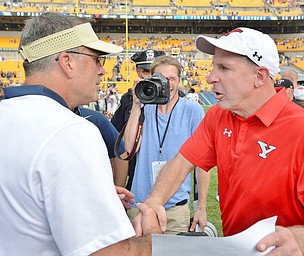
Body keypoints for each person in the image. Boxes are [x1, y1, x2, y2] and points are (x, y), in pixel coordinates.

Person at [137, 27, 304, 255]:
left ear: (260, 77)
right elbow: (182, 161)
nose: (210, 77)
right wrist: (155, 200)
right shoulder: (218, 115)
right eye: (214, 66)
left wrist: (299, 239)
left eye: (224, 68)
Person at [0, 12, 161, 255]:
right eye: (97, 59)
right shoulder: (71, 130)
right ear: (68, 62)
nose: (102, 71)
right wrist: (152, 238)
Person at [123, 55, 210, 234]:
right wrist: (136, 105)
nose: (167, 84)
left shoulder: (192, 110)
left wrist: (201, 208)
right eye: (161, 78)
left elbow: (203, 164)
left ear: (179, 81)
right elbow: (129, 148)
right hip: (141, 205)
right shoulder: (144, 108)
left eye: (172, 78)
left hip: (175, 209)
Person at [111, 49, 165, 189]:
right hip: (136, 171)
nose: (150, 76)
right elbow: (114, 133)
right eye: (146, 71)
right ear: (138, 71)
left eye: (155, 71)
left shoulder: (175, 99)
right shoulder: (129, 99)